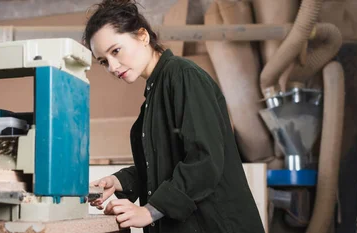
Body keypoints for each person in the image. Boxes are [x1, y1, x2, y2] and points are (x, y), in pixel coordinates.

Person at [83, 0, 266, 232]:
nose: (112, 66)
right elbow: (164, 164)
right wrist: (119, 181)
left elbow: (204, 160)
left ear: (142, 36)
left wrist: (149, 211)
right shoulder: (154, 94)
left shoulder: (183, 76)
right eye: (103, 61)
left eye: (115, 51)